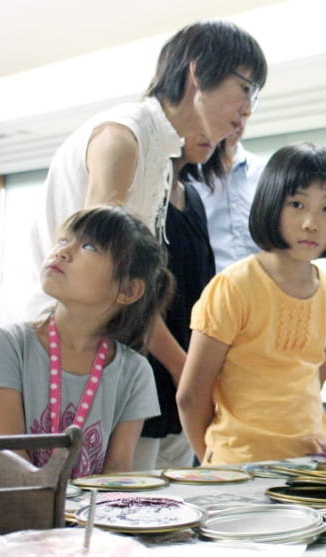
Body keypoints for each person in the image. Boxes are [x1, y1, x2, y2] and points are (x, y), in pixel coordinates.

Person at [9, 19, 266, 324]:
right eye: (245, 88)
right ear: (199, 73)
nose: (249, 109)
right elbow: (95, 262)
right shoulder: (123, 136)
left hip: (94, 341)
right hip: (49, 338)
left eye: (255, 96)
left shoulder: (161, 155)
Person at [176, 142, 326, 465]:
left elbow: (313, 384)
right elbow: (190, 396)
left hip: (311, 465)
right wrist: (213, 463)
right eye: (297, 204)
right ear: (271, 203)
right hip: (238, 466)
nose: (311, 222)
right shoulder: (233, 287)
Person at [0, 206, 173, 477]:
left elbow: (117, 470)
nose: (62, 251)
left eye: (89, 246)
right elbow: (7, 456)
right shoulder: (8, 345)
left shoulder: (135, 371)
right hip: (17, 513)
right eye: (64, 240)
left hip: (88, 516)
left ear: (127, 290)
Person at [132, 138, 219, 470]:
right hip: (149, 370)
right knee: (132, 502)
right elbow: (134, 295)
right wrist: (182, 366)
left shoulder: (194, 198)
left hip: (184, 380)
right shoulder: (143, 192)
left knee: (176, 501)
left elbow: (202, 293)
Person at [195, 118, 266, 272]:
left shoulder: (263, 172)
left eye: (242, 114)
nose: (237, 122)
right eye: (230, 116)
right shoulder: (190, 176)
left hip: (262, 285)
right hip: (212, 287)